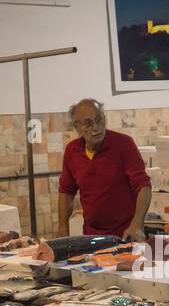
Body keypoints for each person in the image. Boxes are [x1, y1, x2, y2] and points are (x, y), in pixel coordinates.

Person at [57, 98, 152, 241]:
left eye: (99, 120)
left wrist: (137, 225)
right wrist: (62, 227)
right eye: (88, 123)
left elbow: (144, 186)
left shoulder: (124, 144)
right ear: (77, 127)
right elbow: (66, 192)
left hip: (126, 234)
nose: (96, 127)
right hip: (91, 236)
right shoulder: (72, 150)